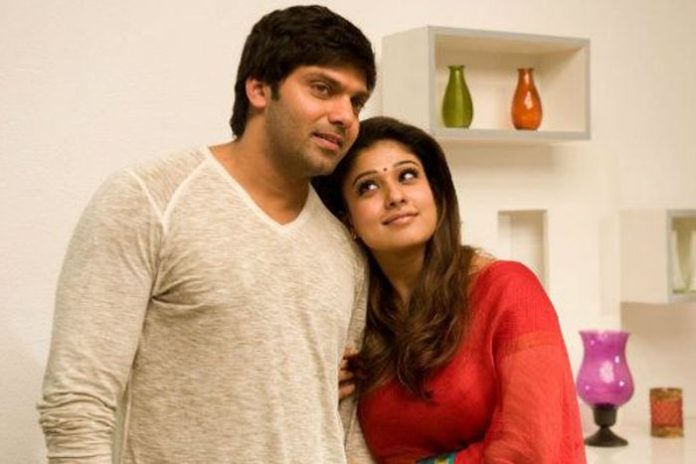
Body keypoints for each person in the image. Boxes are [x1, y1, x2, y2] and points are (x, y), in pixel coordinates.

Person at [37, 5, 376, 463]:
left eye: (357, 102)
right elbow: (76, 406)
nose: (345, 116)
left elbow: (343, 425)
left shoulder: (345, 251)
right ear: (259, 88)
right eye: (323, 88)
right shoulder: (148, 200)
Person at [314, 117, 587, 464]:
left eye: (407, 175)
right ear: (347, 219)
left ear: (437, 195)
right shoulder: (359, 323)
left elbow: (529, 448)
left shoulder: (509, 292)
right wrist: (319, 395)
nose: (395, 196)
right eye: (368, 186)